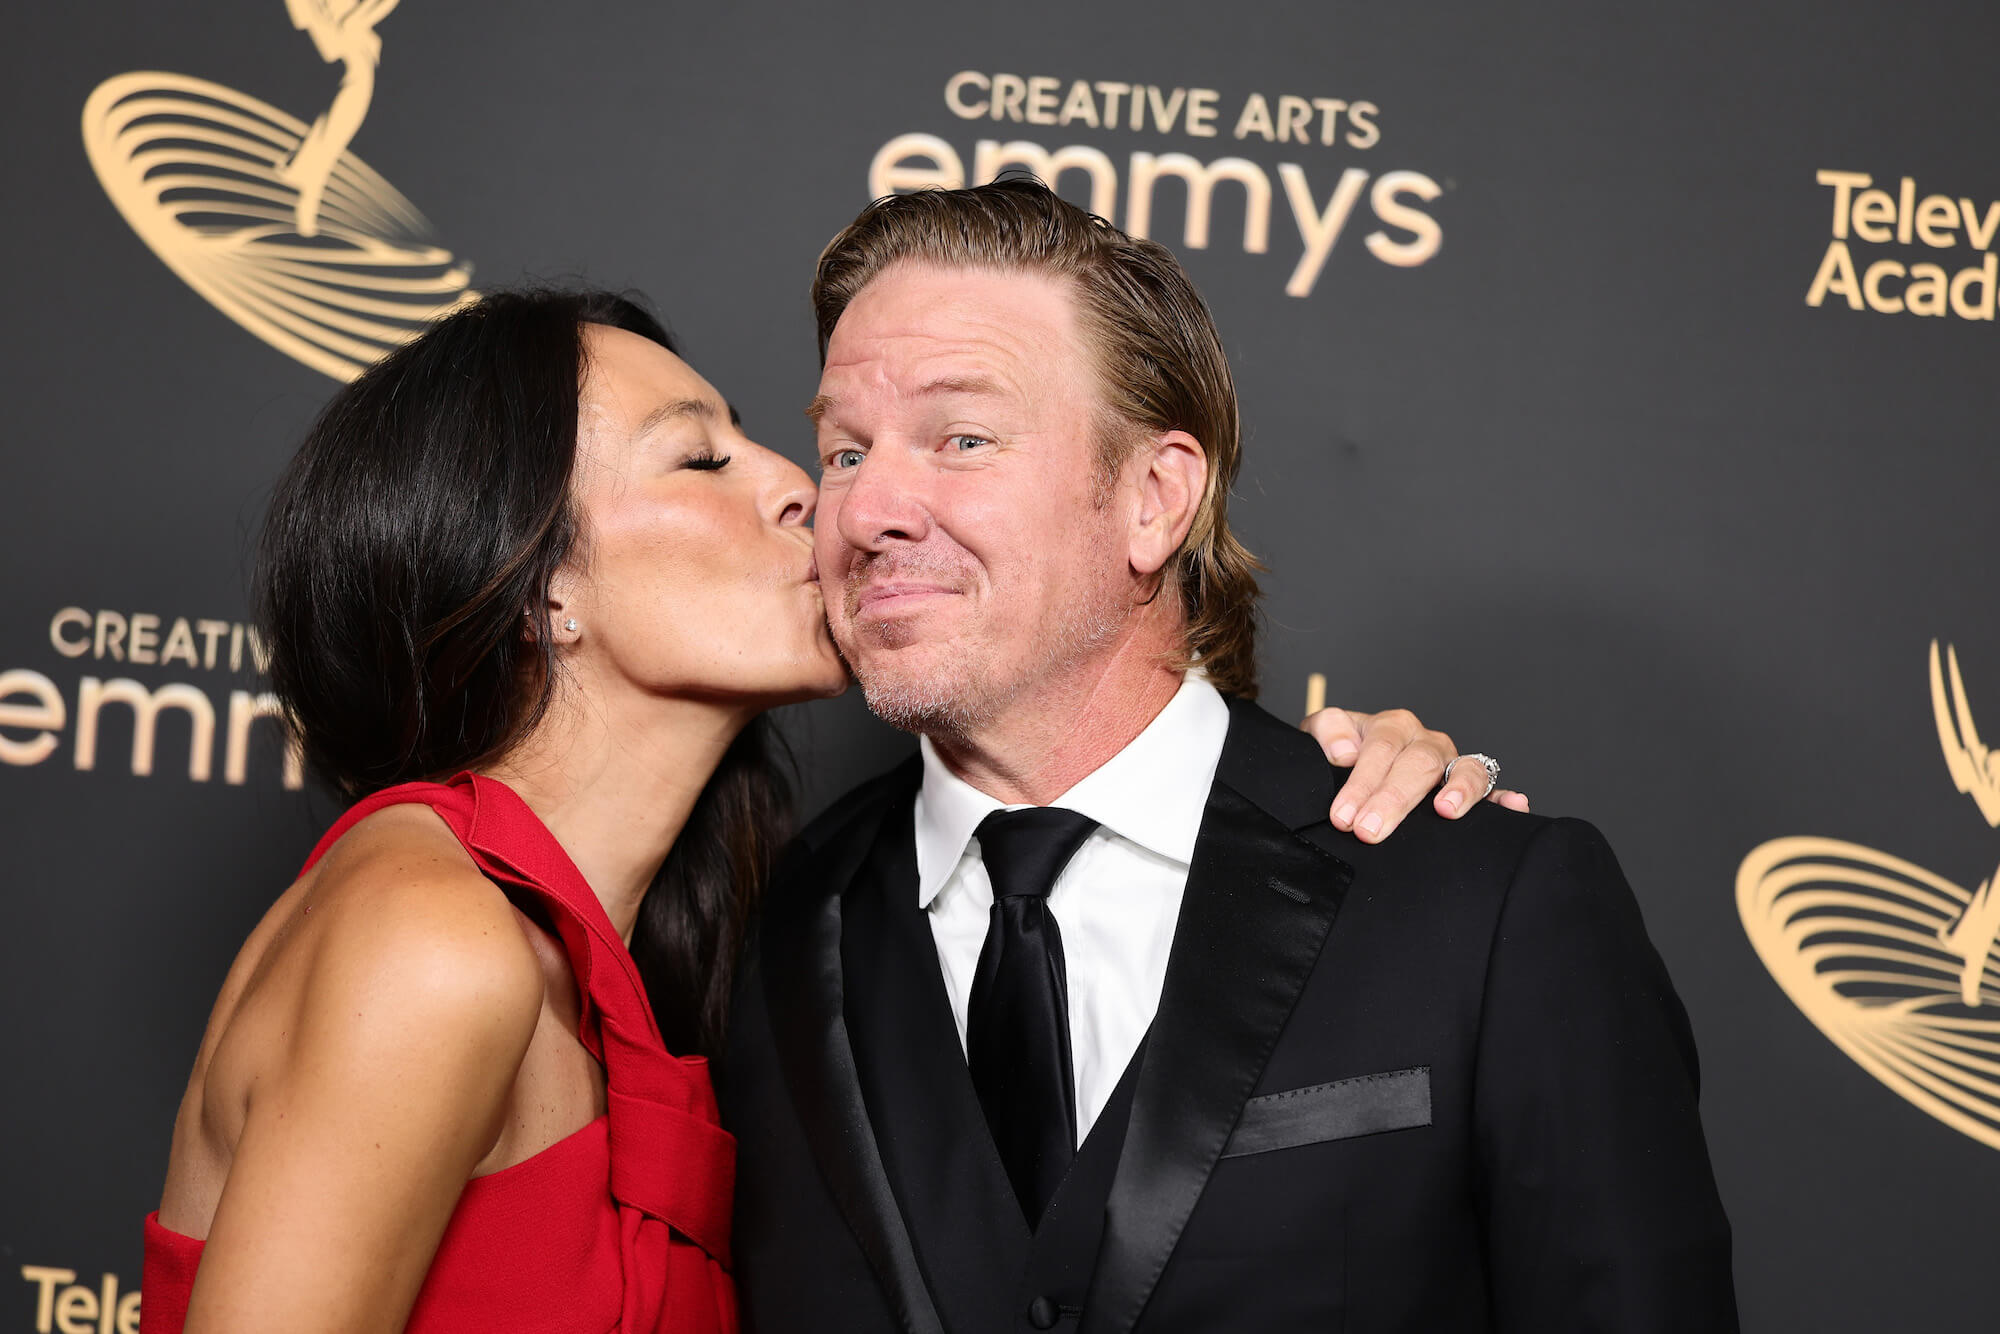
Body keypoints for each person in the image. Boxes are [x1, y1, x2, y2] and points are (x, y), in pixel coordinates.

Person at [141, 286, 1504, 1334]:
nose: (808, 488)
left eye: (772, 445)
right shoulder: (429, 934)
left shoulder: (707, 960)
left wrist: (1312, 778)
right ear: (537, 583)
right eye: (699, 461)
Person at [721, 180, 1738, 1333]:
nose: (866, 510)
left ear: (1155, 497)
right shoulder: (769, 930)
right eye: (845, 451)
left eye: (962, 437)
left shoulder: (1479, 900)